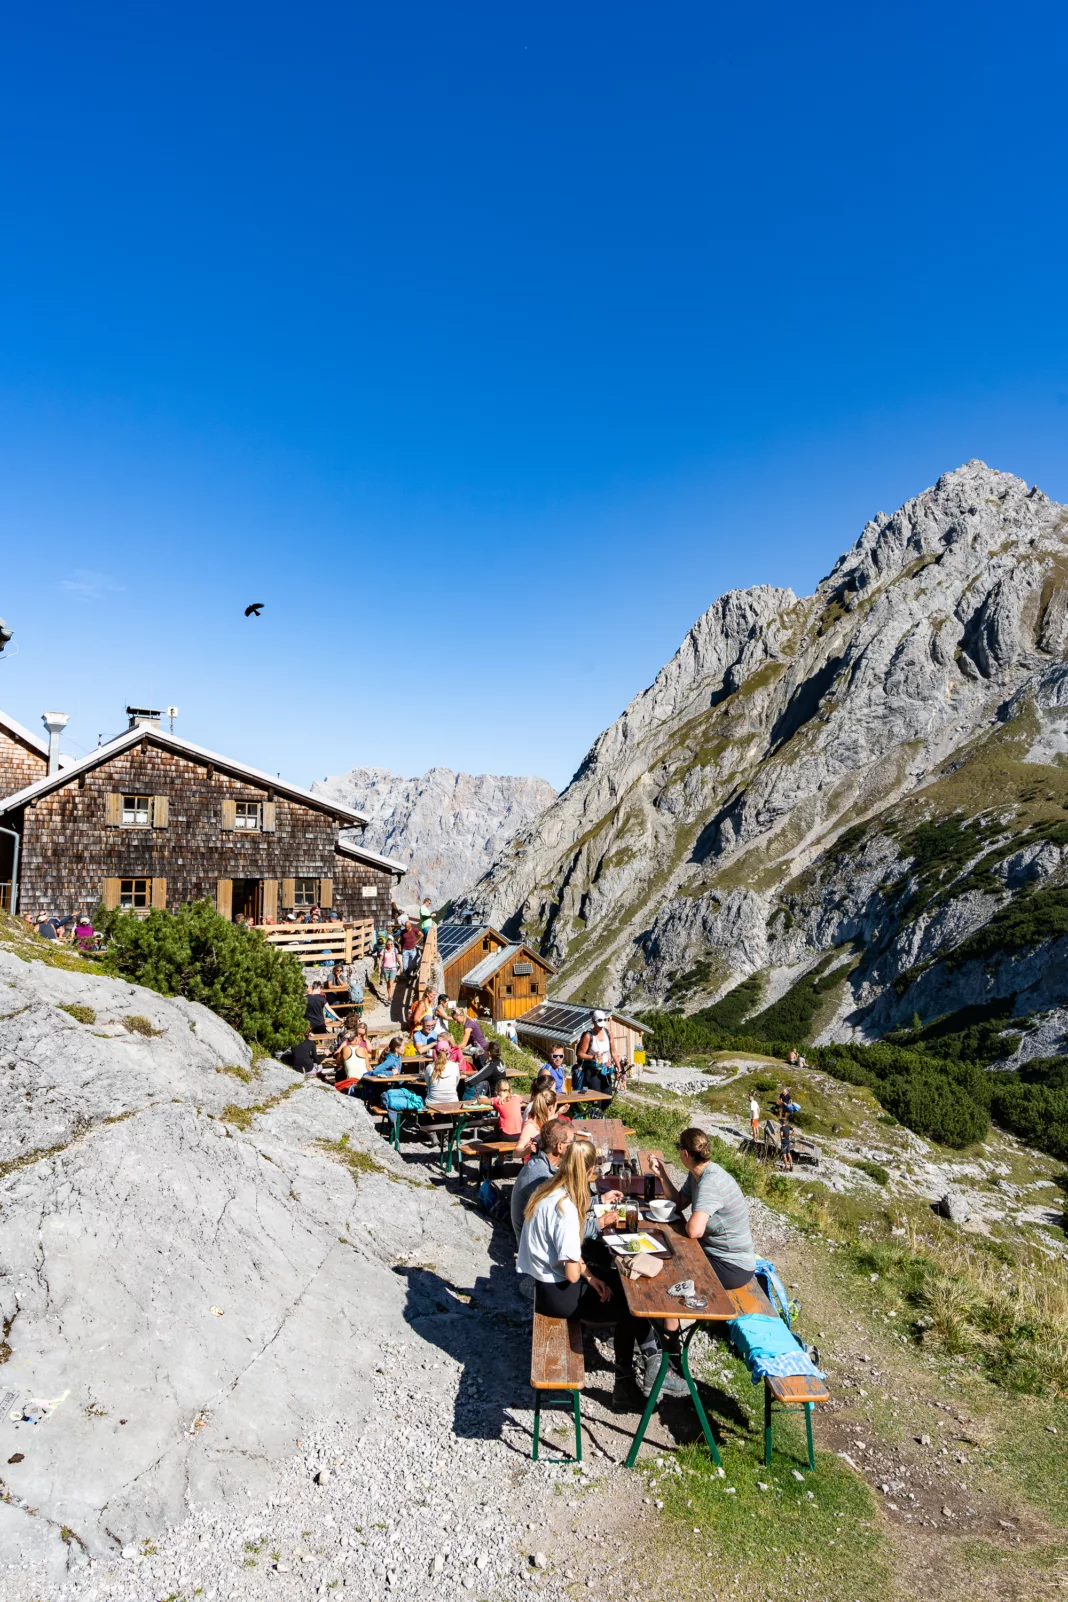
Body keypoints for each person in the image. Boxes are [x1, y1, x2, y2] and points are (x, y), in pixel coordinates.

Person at [518, 1137, 665, 1407]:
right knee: (631, 1304)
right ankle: (626, 1384)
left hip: (547, 1281)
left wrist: (592, 1276)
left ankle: (645, 1365)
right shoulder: (567, 1209)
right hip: (557, 1295)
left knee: (616, 1283)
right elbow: (572, 1272)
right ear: (587, 1172)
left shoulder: (550, 1190)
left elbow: (569, 1259)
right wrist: (586, 1274)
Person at [650, 1127, 757, 1291]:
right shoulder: (697, 1174)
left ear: (685, 1154)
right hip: (713, 1251)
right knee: (666, 1252)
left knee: (671, 1271)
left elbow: (694, 1231)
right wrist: (662, 1175)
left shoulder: (710, 1183)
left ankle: (677, 1314)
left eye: (679, 1148)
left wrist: (688, 1224)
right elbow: (678, 1204)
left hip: (731, 1265)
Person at [575, 1010, 618, 1094]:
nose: (600, 1028)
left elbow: (614, 1052)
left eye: (602, 1026)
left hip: (605, 1069)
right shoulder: (588, 1036)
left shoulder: (608, 1033)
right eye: (598, 1026)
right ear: (593, 1022)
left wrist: (619, 1068)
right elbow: (580, 1054)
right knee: (596, 1097)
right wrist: (593, 1057)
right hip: (592, 1070)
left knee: (608, 1097)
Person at [514, 1086, 558, 1161]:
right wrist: (527, 1150)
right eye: (556, 1105)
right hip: (534, 1165)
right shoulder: (531, 1126)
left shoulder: (551, 1119)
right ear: (551, 1108)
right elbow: (515, 1153)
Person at [425, 1041, 461, 1106]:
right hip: (452, 1101)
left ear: (435, 1052)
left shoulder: (430, 1067)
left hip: (433, 1102)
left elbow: (428, 1084)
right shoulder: (455, 1066)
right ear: (449, 1053)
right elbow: (456, 1083)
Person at [379, 936, 400, 1001]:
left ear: (393, 944)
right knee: (388, 984)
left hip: (393, 969)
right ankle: (389, 995)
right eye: (388, 944)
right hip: (385, 969)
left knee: (391, 984)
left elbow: (398, 958)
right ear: (386, 944)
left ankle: (390, 996)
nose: (390, 945)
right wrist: (379, 968)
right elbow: (380, 960)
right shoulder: (383, 951)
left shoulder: (395, 950)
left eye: (391, 944)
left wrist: (401, 965)